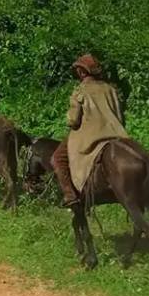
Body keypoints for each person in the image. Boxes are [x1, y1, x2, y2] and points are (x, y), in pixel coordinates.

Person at [52, 54, 128, 208]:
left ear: (81, 72)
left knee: (57, 158)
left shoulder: (80, 91)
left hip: (89, 136)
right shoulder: (110, 89)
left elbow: (73, 121)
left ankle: (70, 195)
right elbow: (121, 117)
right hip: (116, 134)